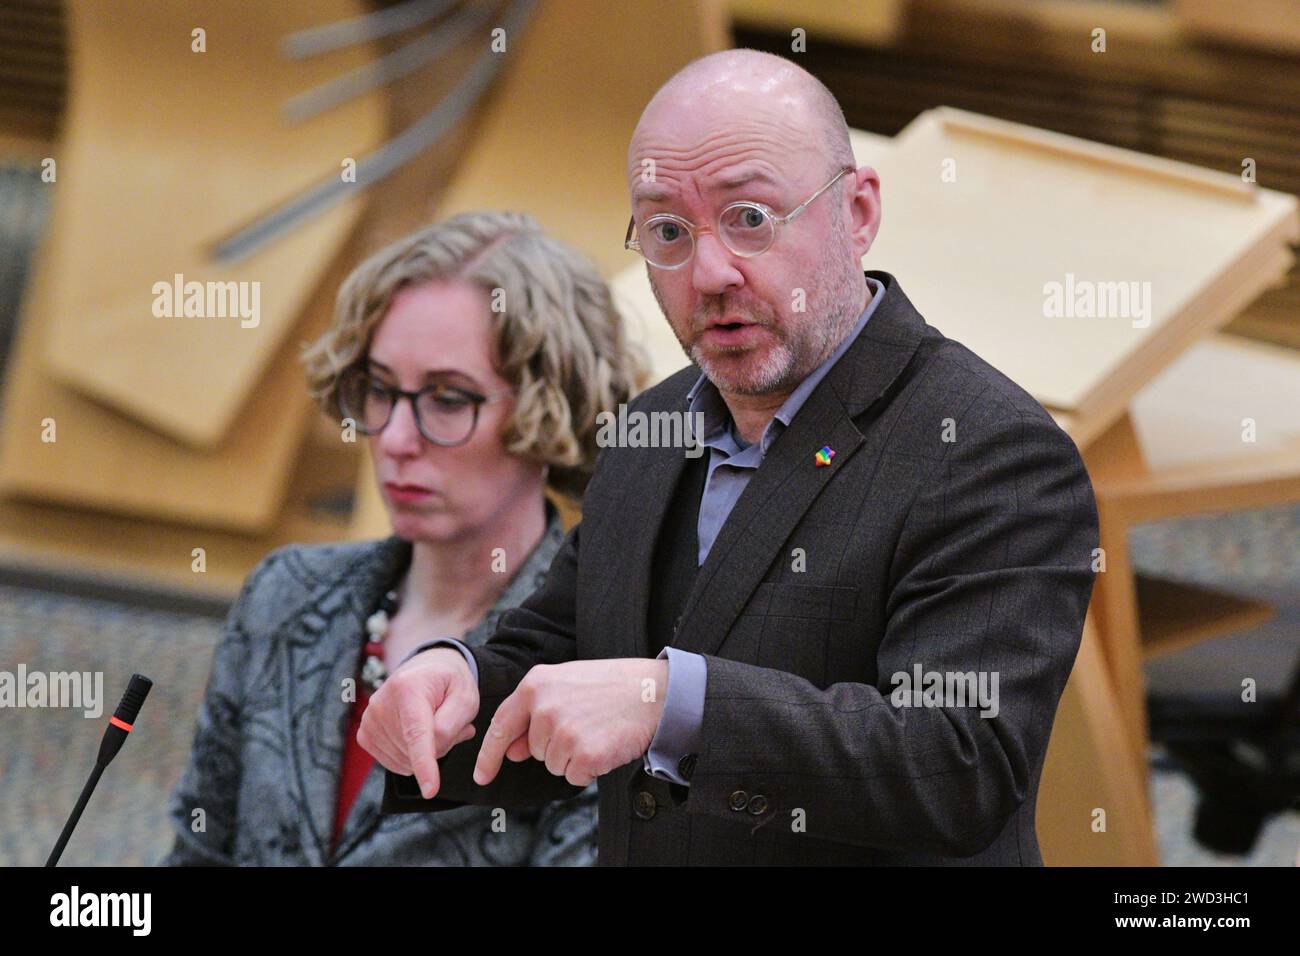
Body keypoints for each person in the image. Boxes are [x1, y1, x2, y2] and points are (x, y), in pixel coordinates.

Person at [364, 50, 1100, 865]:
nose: (709, 273)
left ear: (857, 212)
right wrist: (455, 683)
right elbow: (565, 653)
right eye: (668, 233)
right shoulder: (651, 427)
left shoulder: (992, 450)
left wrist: (672, 705)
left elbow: (958, 763)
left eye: (751, 218)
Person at [163, 210, 646, 865]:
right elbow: (197, 852)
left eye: (448, 399)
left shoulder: (599, 661)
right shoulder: (286, 594)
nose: (394, 439)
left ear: (548, 404)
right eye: (381, 390)